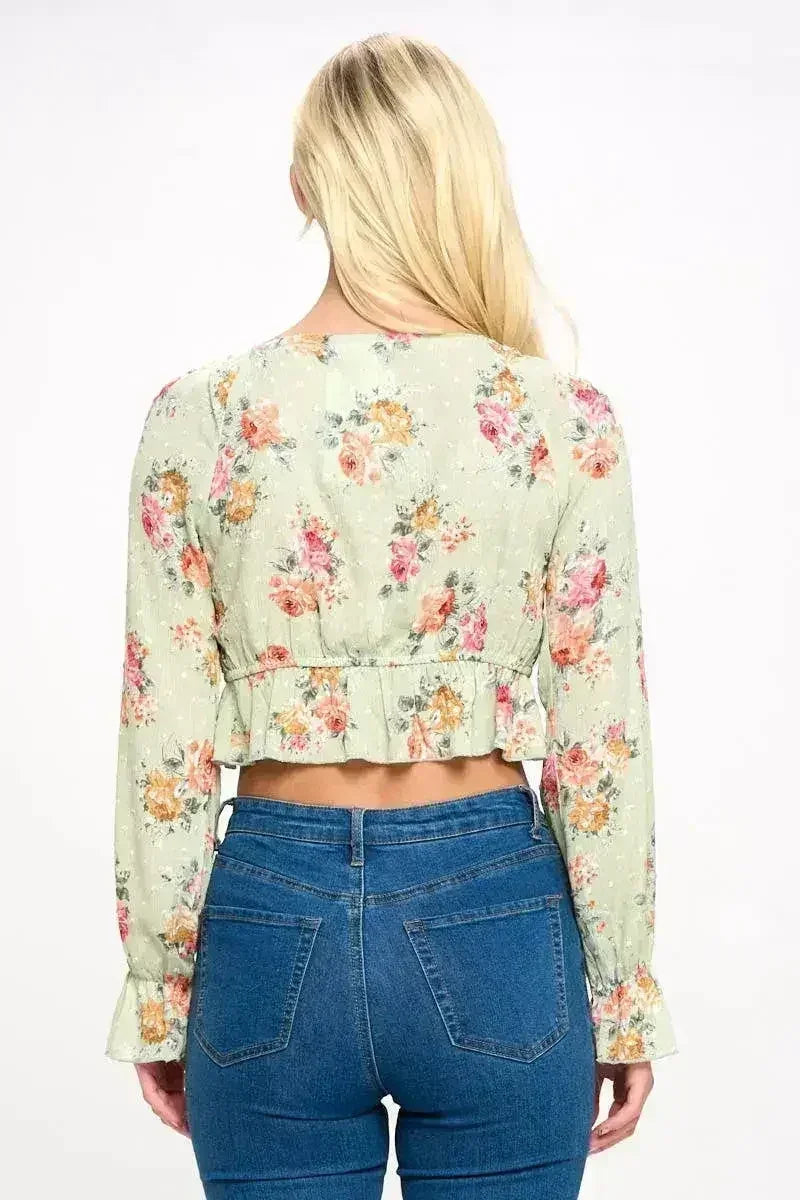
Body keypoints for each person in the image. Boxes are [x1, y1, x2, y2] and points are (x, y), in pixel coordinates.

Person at [106, 32, 677, 1200]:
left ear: (303, 188)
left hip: (268, 917)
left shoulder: (196, 418)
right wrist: (621, 994)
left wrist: (161, 992)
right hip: (494, 911)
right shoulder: (563, 421)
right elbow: (599, 735)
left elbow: (163, 736)